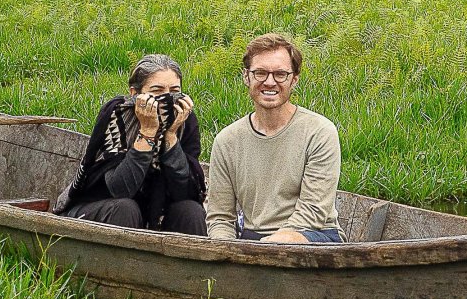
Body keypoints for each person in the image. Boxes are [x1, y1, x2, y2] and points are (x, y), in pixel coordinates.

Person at [205, 33, 343, 243]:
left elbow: (312, 213)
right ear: (246, 76)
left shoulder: (319, 132)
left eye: (280, 74)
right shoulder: (227, 141)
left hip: (312, 236)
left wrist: (269, 246)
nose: (270, 82)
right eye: (260, 73)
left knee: (289, 243)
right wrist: (225, 250)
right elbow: (220, 217)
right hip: (254, 237)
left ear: (294, 79)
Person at [55, 54, 207, 234]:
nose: (168, 99)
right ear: (135, 93)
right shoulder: (119, 118)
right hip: (98, 207)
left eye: (174, 91)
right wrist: (148, 132)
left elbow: (184, 190)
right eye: (157, 91)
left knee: (191, 211)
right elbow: (120, 189)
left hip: (154, 210)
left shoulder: (184, 120)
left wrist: (170, 136)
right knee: (126, 208)